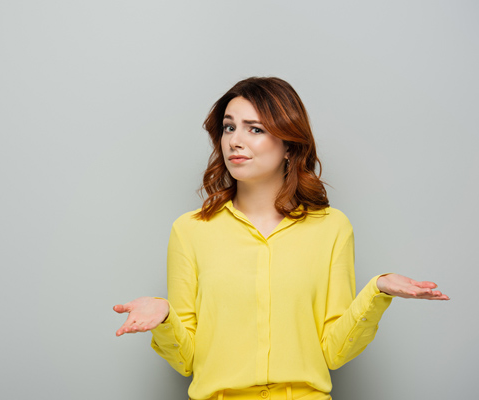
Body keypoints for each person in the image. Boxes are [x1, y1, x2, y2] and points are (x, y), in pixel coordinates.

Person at [113, 77, 449, 400]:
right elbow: (186, 360)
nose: (234, 141)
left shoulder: (332, 228)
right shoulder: (190, 231)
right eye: (229, 127)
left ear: (289, 145)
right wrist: (164, 316)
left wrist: (377, 290)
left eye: (254, 129)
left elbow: (334, 352)